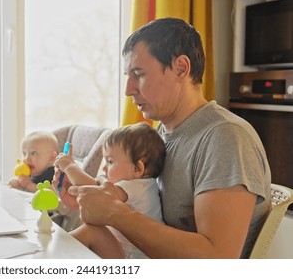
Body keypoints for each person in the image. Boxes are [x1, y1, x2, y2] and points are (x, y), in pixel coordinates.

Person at [56, 17, 271, 259]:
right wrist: (82, 200)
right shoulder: (159, 135)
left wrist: (115, 214)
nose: (128, 89)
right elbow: (137, 201)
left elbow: (217, 257)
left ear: (180, 68)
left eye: (138, 74)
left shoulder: (225, 137)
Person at [54, 122, 165, 259]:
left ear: (137, 169)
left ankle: (50, 257)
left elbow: (98, 192)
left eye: (110, 162)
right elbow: (97, 188)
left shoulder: (138, 186)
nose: (105, 169)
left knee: (92, 231)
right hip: (122, 255)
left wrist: (70, 167)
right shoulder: (134, 187)